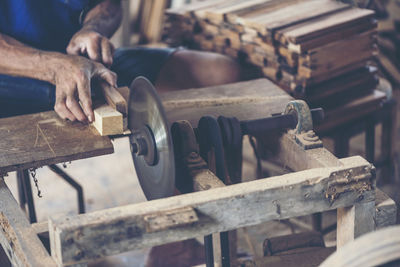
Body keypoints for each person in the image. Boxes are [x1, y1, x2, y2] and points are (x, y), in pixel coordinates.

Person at [0, 0, 241, 121]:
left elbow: (108, 5)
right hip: (11, 78)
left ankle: (191, 205)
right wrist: (54, 66)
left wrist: (91, 29)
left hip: (82, 63)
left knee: (220, 74)